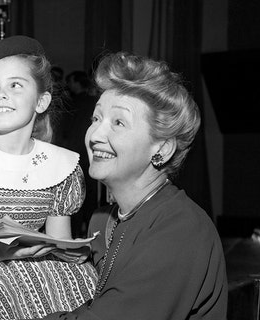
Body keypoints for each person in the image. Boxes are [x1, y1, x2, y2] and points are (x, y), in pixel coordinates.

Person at [32, 52, 227, 319]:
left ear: (162, 148)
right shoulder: (102, 221)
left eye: (119, 122)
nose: (96, 135)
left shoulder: (182, 229)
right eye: (96, 119)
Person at [0, 36, 98, 320]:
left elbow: (59, 240)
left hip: (33, 266)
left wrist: (71, 252)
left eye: (15, 85)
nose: (0, 93)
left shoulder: (61, 166)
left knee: (81, 282)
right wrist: (5, 254)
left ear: (41, 101)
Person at [57, 71, 99, 237]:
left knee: (74, 192)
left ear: (77, 82)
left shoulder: (73, 102)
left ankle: (73, 232)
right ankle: (90, 229)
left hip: (73, 151)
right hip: (89, 150)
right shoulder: (92, 102)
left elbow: (66, 128)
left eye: (71, 82)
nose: (69, 85)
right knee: (89, 191)